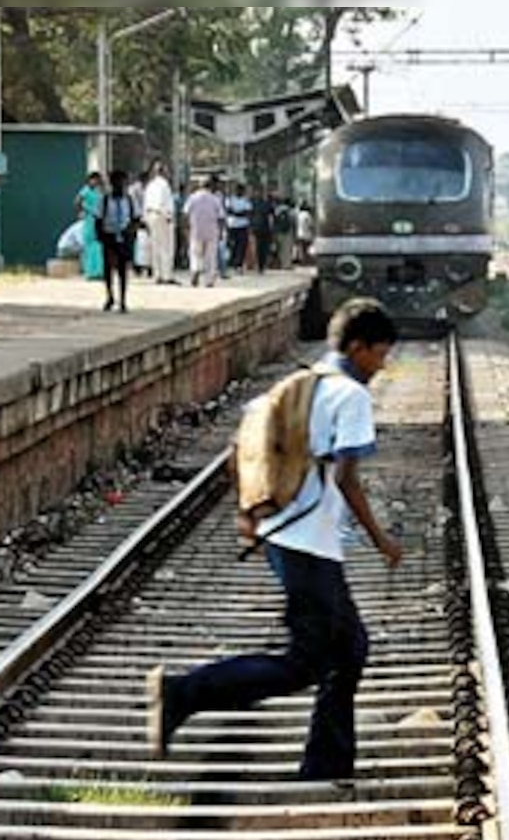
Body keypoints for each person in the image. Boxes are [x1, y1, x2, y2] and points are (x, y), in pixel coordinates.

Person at [146, 298, 404, 781]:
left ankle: (326, 765)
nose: (382, 364)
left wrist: (251, 515)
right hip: (308, 543)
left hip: (292, 537)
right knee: (306, 661)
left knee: (350, 650)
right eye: (379, 353)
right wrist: (381, 539)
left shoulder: (298, 382)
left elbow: (236, 448)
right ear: (357, 347)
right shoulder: (350, 395)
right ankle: (181, 694)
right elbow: (348, 477)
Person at [97, 170, 139, 313]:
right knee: (108, 268)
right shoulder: (105, 200)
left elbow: (135, 218)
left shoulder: (129, 200)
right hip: (109, 236)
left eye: (122, 183)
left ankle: (123, 300)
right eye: (117, 183)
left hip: (124, 236)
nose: (120, 186)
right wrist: (101, 237)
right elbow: (98, 218)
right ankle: (109, 296)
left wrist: (131, 232)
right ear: (112, 184)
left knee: (122, 269)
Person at [184, 175, 225, 287]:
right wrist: (221, 232)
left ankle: (195, 269)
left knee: (195, 253)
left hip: (196, 230)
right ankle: (209, 280)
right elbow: (221, 217)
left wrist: (186, 228)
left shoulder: (192, 198)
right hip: (212, 231)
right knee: (210, 256)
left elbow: (185, 214)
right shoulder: (215, 199)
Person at [144, 162, 177, 285]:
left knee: (155, 247)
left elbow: (146, 204)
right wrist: (167, 216)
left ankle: (157, 274)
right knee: (166, 247)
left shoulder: (150, 185)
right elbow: (161, 202)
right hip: (162, 216)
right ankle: (166, 275)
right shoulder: (164, 185)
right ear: (163, 171)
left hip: (151, 216)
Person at [74, 171, 105, 281]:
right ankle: (89, 272)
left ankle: (99, 271)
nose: (95, 182)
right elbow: (77, 202)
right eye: (93, 179)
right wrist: (80, 213)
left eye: (97, 180)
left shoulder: (99, 191)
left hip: (98, 220)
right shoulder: (85, 190)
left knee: (98, 245)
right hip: (89, 219)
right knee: (89, 244)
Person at [226, 183, 252, 273]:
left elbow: (248, 213)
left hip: (243, 226)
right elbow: (229, 211)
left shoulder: (246, 201)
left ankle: (239, 264)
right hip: (232, 225)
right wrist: (239, 213)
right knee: (232, 245)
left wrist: (237, 213)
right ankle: (232, 263)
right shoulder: (230, 200)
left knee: (242, 246)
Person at [249, 188, 275, 274]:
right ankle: (261, 265)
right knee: (263, 247)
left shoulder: (253, 204)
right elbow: (271, 217)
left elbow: (250, 216)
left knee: (259, 247)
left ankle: (260, 265)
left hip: (258, 228)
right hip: (264, 228)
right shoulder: (267, 204)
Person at [274, 196, 296, 270]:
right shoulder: (289, 211)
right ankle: (287, 264)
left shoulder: (276, 210)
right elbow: (292, 221)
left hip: (278, 230)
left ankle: (281, 263)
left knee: (280, 248)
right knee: (287, 248)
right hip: (287, 230)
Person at [296, 201, 315, 266]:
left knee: (301, 249)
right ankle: (306, 261)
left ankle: (302, 261)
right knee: (306, 249)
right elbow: (310, 225)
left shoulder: (298, 214)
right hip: (306, 234)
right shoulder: (307, 215)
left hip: (299, 233)